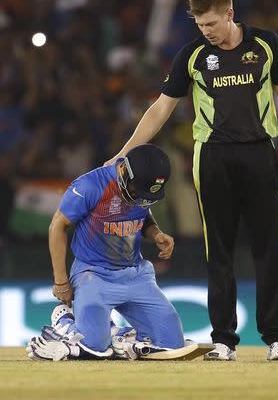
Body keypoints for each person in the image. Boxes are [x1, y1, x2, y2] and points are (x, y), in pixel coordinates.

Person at [104, 0, 278, 361]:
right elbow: (161, 109)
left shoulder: (265, 44)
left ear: (229, 14)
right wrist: (124, 153)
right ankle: (225, 342)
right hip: (212, 157)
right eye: (200, 25)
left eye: (211, 23)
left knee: (271, 249)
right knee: (219, 250)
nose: (206, 31)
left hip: (261, 155)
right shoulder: (192, 55)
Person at [26, 144, 213, 361]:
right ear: (124, 171)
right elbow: (57, 226)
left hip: (135, 274)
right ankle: (65, 322)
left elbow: (142, 210)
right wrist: (61, 281)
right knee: (94, 347)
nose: (138, 199)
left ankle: (117, 335)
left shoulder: (140, 187)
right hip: (94, 275)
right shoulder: (90, 185)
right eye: (136, 192)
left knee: (172, 343)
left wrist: (156, 234)